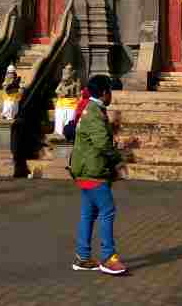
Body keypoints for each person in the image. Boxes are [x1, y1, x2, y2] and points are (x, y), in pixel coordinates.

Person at [69, 74, 127, 275]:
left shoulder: (91, 109)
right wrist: (118, 160)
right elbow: (102, 143)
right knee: (107, 211)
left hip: (85, 170)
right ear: (104, 94)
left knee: (89, 214)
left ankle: (83, 257)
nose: (111, 95)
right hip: (93, 172)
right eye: (110, 91)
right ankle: (108, 257)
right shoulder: (94, 113)